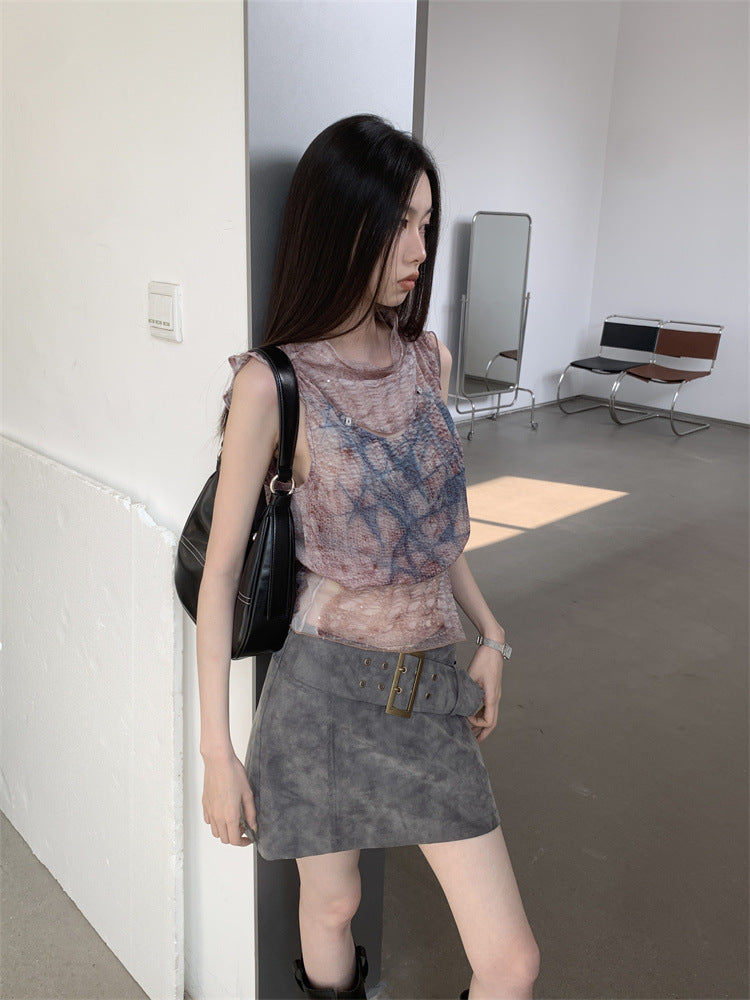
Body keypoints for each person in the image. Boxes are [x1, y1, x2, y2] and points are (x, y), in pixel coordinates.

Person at [196, 114, 540, 1000]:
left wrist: (492, 636)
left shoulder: (428, 360)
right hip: (322, 692)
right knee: (333, 904)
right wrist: (217, 756)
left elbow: (429, 538)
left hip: (429, 688)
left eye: (426, 222)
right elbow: (220, 576)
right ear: (342, 224)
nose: (420, 248)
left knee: (510, 963)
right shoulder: (273, 383)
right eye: (400, 223)